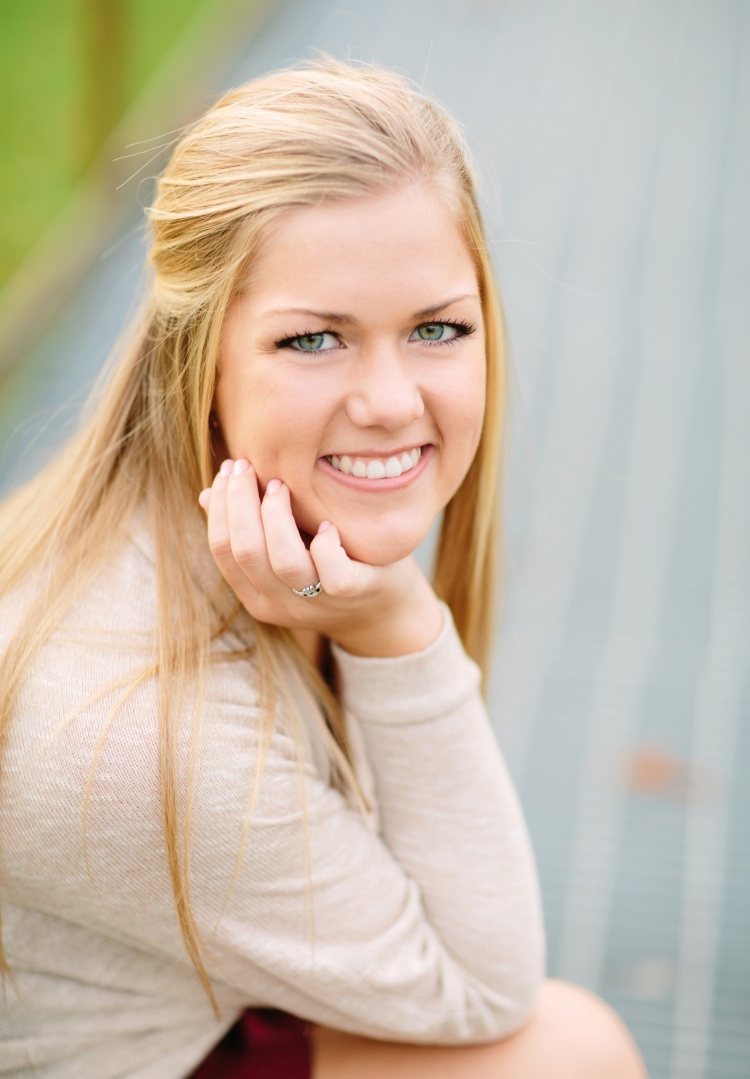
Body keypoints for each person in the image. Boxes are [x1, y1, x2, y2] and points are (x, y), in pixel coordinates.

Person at [0, 59, 646, 1077]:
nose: (390, 399)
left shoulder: (239, 538)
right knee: (572, 1056)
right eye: (313, 340)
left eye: (437, 327)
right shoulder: (144, 720)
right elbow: (483, 988)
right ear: (199, 359)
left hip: (201, 1010)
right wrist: (399, 631)